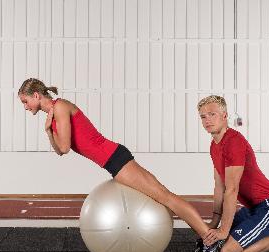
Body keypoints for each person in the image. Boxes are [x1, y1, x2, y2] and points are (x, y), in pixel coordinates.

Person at [18, 78, 211, 241]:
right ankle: (206, 236)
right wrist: (48, 131)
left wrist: (49, 129)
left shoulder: (59, 107)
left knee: (165, 197)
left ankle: (208, 238)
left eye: (25, 102)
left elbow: (65, 147)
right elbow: (60, 151)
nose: (25, 107)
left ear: (36, 95)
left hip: (115, 158)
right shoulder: (53, 116)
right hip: (112, 161)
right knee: (164, 196)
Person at [196, 95, 269, 252]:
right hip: (252, 209)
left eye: (212, 114)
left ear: (225, 116)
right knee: (213, 242)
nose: (207, 120)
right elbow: (219, 187)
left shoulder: (233, 141)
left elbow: (232, 189)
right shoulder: (214, 146)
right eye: (203, 116)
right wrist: (215, 223)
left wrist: (224, 230)